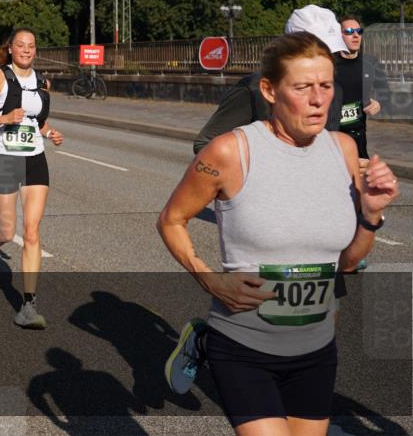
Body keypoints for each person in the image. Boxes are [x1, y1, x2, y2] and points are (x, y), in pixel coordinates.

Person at [157, 32, 399, 432]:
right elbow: (171, 219)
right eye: (303, 87)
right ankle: (204, 343)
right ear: (269, 90)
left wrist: (371, 215)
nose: (319, 99)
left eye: (325, 86)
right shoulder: (230, 152)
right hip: (243, 346)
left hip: (316, 350)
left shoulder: (343, 150)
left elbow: (348, 263)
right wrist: (210, 280)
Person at [0, 27, 64, 329]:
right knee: (8, 231)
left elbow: (37, 120)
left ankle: (28, 305)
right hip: (5, 159)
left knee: (32, 231)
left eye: (31, 46)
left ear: (36, 50)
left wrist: (50, 133)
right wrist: (5, 118)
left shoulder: (42, 82)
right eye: (20, 45)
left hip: (35, 158)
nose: (26, 50)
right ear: (10, 49)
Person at [193, 5, 349, 154]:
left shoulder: (335, 90)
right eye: (314, 53)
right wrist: (262, 166)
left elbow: (325, 147)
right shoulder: (252, 89)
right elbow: (205, 144)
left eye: (332, 52)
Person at [334, 16, 388, 160]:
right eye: (349, 31)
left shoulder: (370, 62)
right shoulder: (328, 64)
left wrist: (379, 103)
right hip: (333, 137)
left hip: (359, 136)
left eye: (359, 31)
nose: (356, 35)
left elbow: (385, 91)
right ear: (339, 35)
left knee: (361, 179)